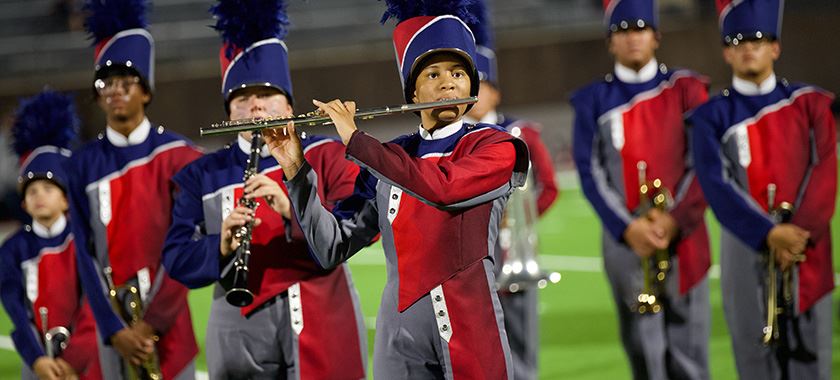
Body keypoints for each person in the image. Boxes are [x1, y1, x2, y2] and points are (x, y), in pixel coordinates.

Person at [264, 1, 530, 378]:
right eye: (432, 75)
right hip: (398, 339)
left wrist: (356, 139)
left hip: (473, 330)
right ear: (413, 94)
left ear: (472, 86)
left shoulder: (496, 147)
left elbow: (443, 188)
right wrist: (295, 168)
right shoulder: (392, 157)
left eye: (458, 73)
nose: (448, 82)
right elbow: (331, 246)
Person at [161, 1, 367, 378]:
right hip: (238, 323)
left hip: (322, 312)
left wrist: (294, 209)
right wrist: (219, 244)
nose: (255, 105)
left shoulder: (326, 154)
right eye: (242, 98)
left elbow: (356, 229)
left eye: (266, 94)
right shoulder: (201, 175)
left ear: (288, 103)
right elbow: (176, 258)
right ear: (228, 112)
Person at [689, 1, 836, 378]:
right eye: (737, 41)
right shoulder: (709, 116)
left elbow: (825, 173)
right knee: (754, 361)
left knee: (811, 361)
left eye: (758, 39)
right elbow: (715, 185)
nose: (747, 47)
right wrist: (769, 233)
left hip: (808, 247)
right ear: (725, 51)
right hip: (745, 247)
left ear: (776, 47)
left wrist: (795, 235)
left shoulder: (813, 103)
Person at [570, 0, 712, 378]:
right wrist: (627, 228)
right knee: (641, 354)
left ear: (656, 37)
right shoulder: (592, 100)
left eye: (640, 29)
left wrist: (675, 219)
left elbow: (705, 164)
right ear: (609, 42)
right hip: (625, 241)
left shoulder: (688, 89)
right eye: (622, 31)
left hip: (684, 235)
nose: (633, 38)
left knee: (690, 354)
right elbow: (589, 171)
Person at [66, 1, 201, 378]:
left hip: (168, 322)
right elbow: (84, 253)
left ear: (146, 91)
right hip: (112, 332)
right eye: (105, 83)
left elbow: (187, 244)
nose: (115, 91)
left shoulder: (178, 157)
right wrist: (113, 330)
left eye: (126, 83)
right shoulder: (81, 165)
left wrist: (151, 321)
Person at [462, 2, 559, 379]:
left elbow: (548, 187)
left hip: (513, 251)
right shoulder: (456, 140)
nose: (475, 94)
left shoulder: (522, 133)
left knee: (521, 340)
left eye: (483, 86)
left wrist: (518, 222)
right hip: (473, 255)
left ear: (497, 94)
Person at [1, 90, 101, 380]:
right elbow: (16, 311)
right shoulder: (13, 249)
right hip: (38, 363)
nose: (39, 196)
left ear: (66, 199)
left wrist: (75, 358)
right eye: (32, 191)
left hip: (85, 357)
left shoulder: (83, 240)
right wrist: (37, 360)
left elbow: (91, 302)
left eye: (48, 189)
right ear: (23, 203)